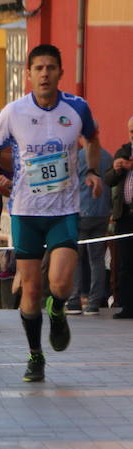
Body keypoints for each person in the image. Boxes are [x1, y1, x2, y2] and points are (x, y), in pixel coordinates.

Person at [0, 44, 102, 383]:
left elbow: (93, 139)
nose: (45, 73)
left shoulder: (78, 108)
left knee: (60, 283)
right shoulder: (13, 112)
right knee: (30, 292)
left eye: (51, 67)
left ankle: (58, 309)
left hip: (64, 210)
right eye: (38, 68)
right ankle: (35, 356)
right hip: (25, 211)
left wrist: (92, 172)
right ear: (28, 74)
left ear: (61, 72)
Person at [66, 143, 113, 314]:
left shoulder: (78, 156)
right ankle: (94, 302)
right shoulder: (108, 156)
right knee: (97, 259)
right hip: (102, 212)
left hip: (81, 212)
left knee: (75, 258)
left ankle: (74, 300)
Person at [104, 116, 133, 318]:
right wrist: (116, 168)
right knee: (125, 263)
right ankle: (127, 306)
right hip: (124, 215)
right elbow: (108, 179)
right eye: (131, 131)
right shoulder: (124, 150)